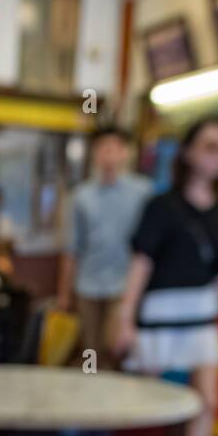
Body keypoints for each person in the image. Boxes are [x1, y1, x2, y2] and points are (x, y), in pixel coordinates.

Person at [106, 118, 218, 436]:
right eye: (209, 146)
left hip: (202, 315)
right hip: (160, 314)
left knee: (207, 403)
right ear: (188, 151)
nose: (217, 157)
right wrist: (125, 317)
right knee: (152, 404)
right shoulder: (161, 206)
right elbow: (141, 263)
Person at [57, 126, 152, 363]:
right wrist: (64, 294)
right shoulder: (81, 196)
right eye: (102, 148)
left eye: (115, 148)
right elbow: (71, 248)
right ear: (94, 153)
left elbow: (150, 247)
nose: (109, 154)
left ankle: (114, 395)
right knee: (90, 348)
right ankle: (92, 393)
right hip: (87, 284)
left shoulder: (144, 193)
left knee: (116, 345)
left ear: (126, 153)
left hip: (124, 285)